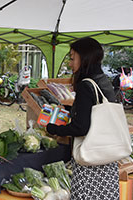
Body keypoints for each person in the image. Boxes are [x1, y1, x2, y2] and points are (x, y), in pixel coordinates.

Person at [46, 37, 119, 199]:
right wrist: (71, 109)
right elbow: (95, 111)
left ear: (85, 57)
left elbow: (81, 127)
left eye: (72, 58)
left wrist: (53, 128)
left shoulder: (86, 84)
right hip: (108, 161)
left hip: (91, 162)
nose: (70, 63)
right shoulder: (103, 80)